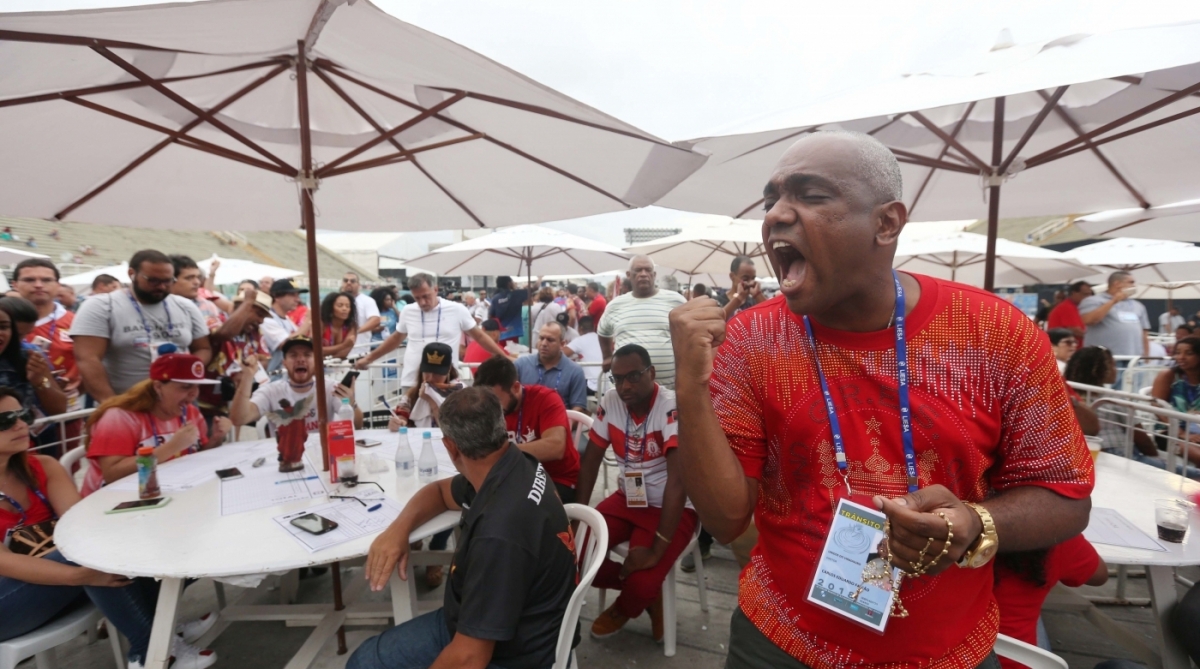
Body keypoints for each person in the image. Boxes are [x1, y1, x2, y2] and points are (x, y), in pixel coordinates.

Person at [668, 131, 1094, 669]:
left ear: (886, 223)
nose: (776, 213)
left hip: (949, 653)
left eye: (810, 194)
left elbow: (1067, 496)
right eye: (771, 197)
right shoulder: (752, 338)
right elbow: (725, 517)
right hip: (780, 643)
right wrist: (690, 386)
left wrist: (975, 524)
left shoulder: (993, 332)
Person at [350, 388, 576, 669]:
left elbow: (470, 657)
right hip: (522, 618)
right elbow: (440, 491)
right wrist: (398, 529)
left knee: (364, 662)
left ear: (451, 447)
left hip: (516, 651)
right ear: (500, 428)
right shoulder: (514, 463)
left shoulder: (498, 531)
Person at [0, 387, 220, 669]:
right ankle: (149, 650)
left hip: (53, 572)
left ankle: (162, 631)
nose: (21, 424)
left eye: (22, 414)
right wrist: (81, 574)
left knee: (116, 537)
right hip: (8, 601)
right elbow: (5, 563)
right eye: (5, 420)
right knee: (89, 551)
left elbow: (77, 523)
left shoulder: (42, 466)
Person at [574, 344, 695, 641]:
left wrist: (656, 550)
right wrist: (577, 522)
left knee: (643, 583)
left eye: (633, 376)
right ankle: (643, 594)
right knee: (569, 555)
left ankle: (628, 605)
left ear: (651, 373)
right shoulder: (612, 400)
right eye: (617, 378)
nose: (624, 386)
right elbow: (590, 463)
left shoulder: (670, 405)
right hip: (627, 498)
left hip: (671, 506)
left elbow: (678, 483)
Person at [83, 348, 231, 496]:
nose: (194, 394)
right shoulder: (120, 418)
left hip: (169, 492)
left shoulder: (190, 412)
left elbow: (197, 456)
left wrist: (215, 439)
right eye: (185, 387)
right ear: (158, 387)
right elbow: (112, 474)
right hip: (112, 499)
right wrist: (172, 447)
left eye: (197, 386)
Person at [71, 250, 212, 402]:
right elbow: (88, 359)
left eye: (168, 281)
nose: (162, 287)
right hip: (129, 403)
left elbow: (203, 348)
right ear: (132, 274)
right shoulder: (102, 306)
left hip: (180, 402)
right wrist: (111, 405)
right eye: (153, 281)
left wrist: (186, 370)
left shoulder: (185, 306)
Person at [355, 274, 508, 390]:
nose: (422, 302)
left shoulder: (457, 309)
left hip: (446, 381)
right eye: (417, 298)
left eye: (426, 296)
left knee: (447, 429)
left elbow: (479, 336)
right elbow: (395, 339)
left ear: (435, 290)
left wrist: (504, 357)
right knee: (411, 428)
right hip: (412, 381)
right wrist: (369, 358)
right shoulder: (408, 311)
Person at [473, 356, 579, 503]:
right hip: (515, 476)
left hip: (556, 479)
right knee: (470, 495)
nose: (490, 407)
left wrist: (501, 453)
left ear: (516, 388)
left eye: (495, 401)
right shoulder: (488, 406)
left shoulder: (546, 398)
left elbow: (556, 447)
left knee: (507, 507)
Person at [993, 536, 1108, 669]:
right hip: (1018, 661)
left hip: (971, 655)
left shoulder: (968, 544)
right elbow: (1100, 575)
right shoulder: (1055, 537)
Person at [1064, 346, 1170, 470]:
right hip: (1122, 455)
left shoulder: (1070, 393)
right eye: (1113, 366)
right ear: (1099, 370)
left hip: (1089, 453)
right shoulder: (1113, 398)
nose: (1116, 370)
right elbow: (1141, 439)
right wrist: (1156, 459)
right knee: (1189, 475)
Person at [230, 337, 362, 435]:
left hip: (321, 454)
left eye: (307, 355)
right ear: (284, 363)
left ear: (316, 362)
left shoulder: (330, 388)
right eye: (293, 355)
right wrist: (247, 377)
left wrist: (352, 403)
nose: (300, 359)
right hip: (285, 458)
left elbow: (358, 425)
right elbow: (239, 419)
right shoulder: (270, 391)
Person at [598, 256, 687, 389]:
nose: (643, 274)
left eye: (648, 270)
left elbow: (690, 333)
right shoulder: (615, 305)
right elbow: (603, 332)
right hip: (627, 390)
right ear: (629, 275)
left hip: (669, 389)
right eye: (638, 270)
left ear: (654, 274)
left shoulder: (676, 301)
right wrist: (607, 356)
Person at [197, 289, 271, 424]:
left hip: (228, 406)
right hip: (201, 405)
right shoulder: (215, 319)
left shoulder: (255, 332)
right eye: (258, 314)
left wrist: (248, 371)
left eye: (263, 317)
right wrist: (248, 302)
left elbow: (264, 360)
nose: (261, 321)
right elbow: (223, 334)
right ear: (240, 308)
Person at [13, 259, 79, 408]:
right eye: (29, 279)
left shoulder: (77, 322)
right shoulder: (5, 320)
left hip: (67, 407)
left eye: (46, 280)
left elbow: (90, 361)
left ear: (58, 285)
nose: (38, 285)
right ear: (15, 284)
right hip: (13, 409)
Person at [0, 299, 68, 419]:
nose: (21, 340)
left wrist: (40, 381)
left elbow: (59, 409)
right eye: (19, 334)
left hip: (36, 434)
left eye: (4, 327)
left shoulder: (31, 354)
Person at [389, 343, 463, 431]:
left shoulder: (460, 393)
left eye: (437, 373)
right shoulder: (413, 393)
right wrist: (398, 421)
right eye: (427, 372)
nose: (431, 378)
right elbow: (402, 413)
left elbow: (449, 430)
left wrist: (431, 400)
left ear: (448, 371)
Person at [515, 323, 588, 413]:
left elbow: (578, 409)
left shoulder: (575, 371)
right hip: (524, 424)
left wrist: (563, 426)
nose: (544, 343)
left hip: (560, 423)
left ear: (562, 344)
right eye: (541, 338)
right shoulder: (520, 365)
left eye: (550, 340)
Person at [1079, 271, 1150, 357]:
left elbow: (1144, 333)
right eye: (1131, 282)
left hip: (1134, 358)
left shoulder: (1138, 306)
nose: (1134, 286)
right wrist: (1114, 301)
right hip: (1104, 358)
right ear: (1117, 284)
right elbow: (1089, 320)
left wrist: (1146, 356)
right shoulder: (1093, 301)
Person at [1152, 336, 1200, 451]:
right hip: (1170, 431)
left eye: (1189, 353)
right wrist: (1181, 433)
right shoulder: (1168, 375)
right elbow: (1156, 407)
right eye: (1177, 353)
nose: (1181, 357)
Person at [259, 278, 311, 375]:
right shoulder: (267, 319)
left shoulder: (286, 318)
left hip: (285, 377)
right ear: (277, 297)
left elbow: (303, 341)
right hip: (272, 378)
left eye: (298, 295)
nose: (297, 299)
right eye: (292, 295)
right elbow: (286, 344)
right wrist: (308, 321)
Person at [169, 256, 225, 334]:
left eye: (198, 277)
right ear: (170, 280)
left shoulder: (206, 305)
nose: (197, 282)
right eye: (189, 278)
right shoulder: (156, 306)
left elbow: (217, 335)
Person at [340, 272, 380, 359]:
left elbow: (375, 320)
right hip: (338, 352)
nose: (349, 283)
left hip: (359, 351)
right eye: (346, 280)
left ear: (358, 285)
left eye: (352, 281)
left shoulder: (367, 301)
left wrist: (355, 331)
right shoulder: (335, 300)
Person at [564, 315, 603, 395]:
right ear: (594, 327)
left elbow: (560, 354)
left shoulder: (580, 340)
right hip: (607, 383)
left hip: (591, 385)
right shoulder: (602, 339)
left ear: (580, 328)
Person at [489, 276, 531, 345]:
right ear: (509, 283)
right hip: (513, 332)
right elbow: (535, 288)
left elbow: (490, 316)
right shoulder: (516, 295)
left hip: (500, 334)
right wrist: (539, 279)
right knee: (512, 354)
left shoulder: (495, 298)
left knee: (502, 353)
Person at [723, 255, 766, 320]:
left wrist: (758, 294)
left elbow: (772, 316)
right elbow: (718, 319)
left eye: (753, 278)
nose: (750, 282)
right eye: (745, 278)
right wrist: (738, 298)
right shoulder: (719, 301)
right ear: (732, 276)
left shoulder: (754, 301)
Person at [319, 291, 358, 360]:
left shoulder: (352, 326)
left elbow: (344, 353)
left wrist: (327, 357)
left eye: (348, 306)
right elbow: (315, 350)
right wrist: (343, 345)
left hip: (336, 365)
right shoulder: (322, 323)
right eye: (340, 305)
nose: (344, 309)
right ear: (330, 308)